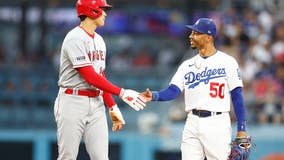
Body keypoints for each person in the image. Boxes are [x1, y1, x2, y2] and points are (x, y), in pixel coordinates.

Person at [141, 18, 248, 160]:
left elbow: (237, 95)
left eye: (196, 33)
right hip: (192, 121)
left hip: (217, 121)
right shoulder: (187, 65)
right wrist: (154, 95)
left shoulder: (227, 62)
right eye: (192, 32)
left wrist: (242, 129)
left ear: (208, 37)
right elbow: (173, 91)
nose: (191, 36)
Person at [53, 0, 146, 159]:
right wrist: (122, 93)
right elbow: (89, 75)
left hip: (96, 103)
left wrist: (112, 106)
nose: (105, 13)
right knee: (67, 157)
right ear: (91, 11)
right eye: (102, 9)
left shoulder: (100, 40)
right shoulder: (74, 37)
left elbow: (100, 74)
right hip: (72, 100)